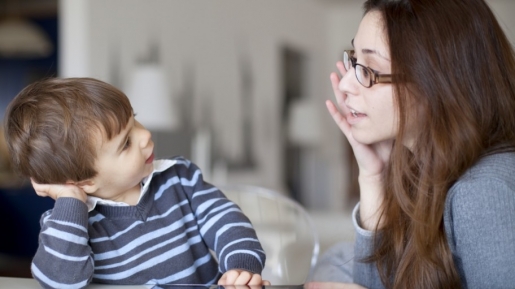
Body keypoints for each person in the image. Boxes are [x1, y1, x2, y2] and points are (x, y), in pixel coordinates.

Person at [307, 0, 515, 288]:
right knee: (332, 261)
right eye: (355, 61)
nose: (345, 85)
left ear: (436, 82)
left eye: (369, 70)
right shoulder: (423, 167)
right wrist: (373, 176)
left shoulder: (481, 192)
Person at [3, 77, 268, 288]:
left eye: (135, 119)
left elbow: (225, 218)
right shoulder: (70, 226)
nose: (145, 135)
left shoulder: (179, 178)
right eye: (126, 143)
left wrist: (240, 266)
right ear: (85, 181)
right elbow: (61, 281)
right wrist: (71, 200)